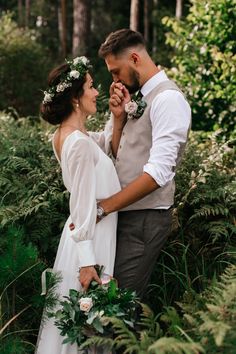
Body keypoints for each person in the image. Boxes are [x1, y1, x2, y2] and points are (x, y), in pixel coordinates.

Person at [91, 29, 192, 300]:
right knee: (106, 302)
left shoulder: (168, 100)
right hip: (122, 213)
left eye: (116, 72)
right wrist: (118, 120)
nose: (114, 80)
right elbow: (115, 154)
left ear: (134, 58)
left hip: (144, 218)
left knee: (120, 304)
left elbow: (158, 174)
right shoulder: (136, 98)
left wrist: (103, 208)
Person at [35, 56, 120, 354]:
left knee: (81, 333)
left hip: (86, 238)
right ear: (74, 98)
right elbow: (82, 201)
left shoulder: (67, 137)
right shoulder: (79, 144)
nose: (98, 92)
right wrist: (87, 264)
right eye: (92, 87)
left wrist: (117, 116)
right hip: (89, 244)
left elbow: (106, 144)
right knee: (84, 333)